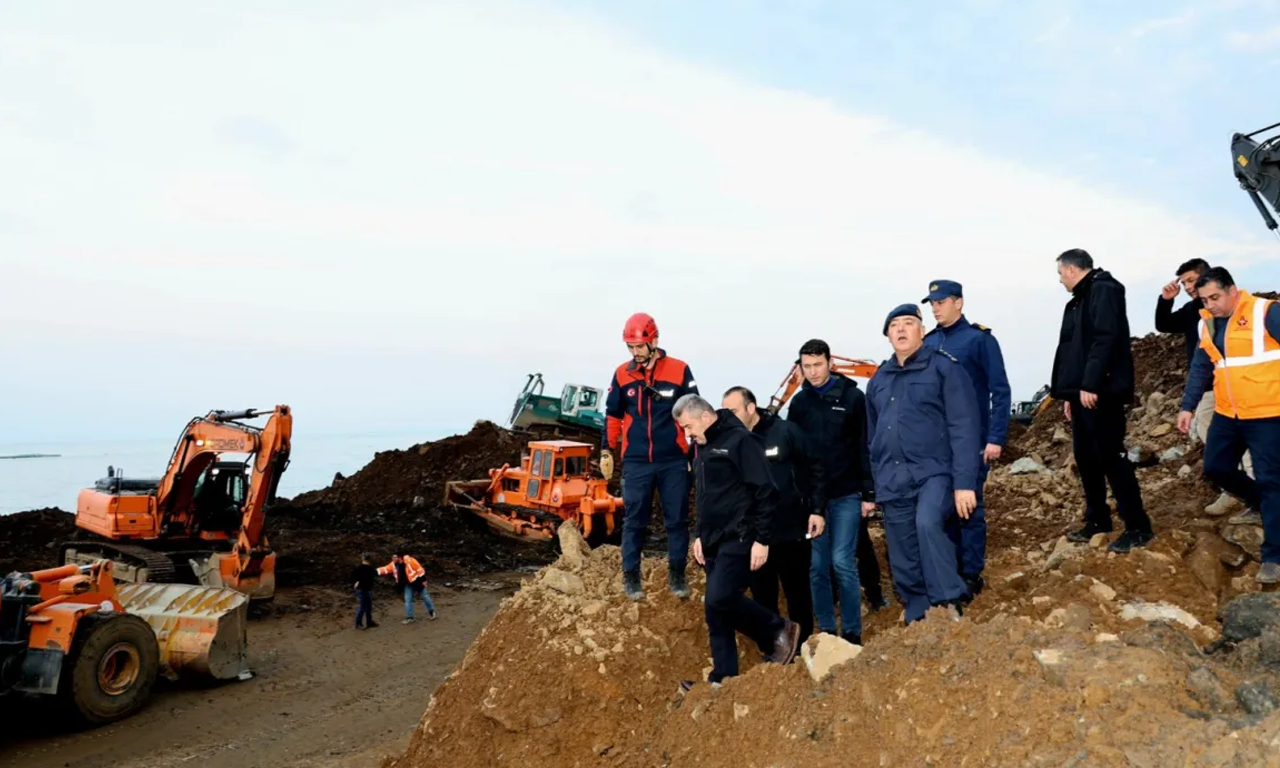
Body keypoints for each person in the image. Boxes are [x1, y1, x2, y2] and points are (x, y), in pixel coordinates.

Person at [673, 394, 801, 689]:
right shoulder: (701, 447)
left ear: (706, 417)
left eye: (688, 426)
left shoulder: (741, 441)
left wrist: (762, 540)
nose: (687, 434)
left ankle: (778, 629)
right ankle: (723, 678)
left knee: (720, 597)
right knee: (714, 611)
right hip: (712, 540)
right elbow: (703, 496)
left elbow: (766, 491)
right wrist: (699, 535)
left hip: (740, 535)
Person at [866, 304, 981, 625]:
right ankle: (917, 608)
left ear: (922, 330)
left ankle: (948, 599)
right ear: (888, 335)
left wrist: (964, 483)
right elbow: (872, 436)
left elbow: (964, 426)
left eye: (908, 323)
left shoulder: (944, 369)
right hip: (893, 476)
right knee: (901, 545)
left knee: (928, 523)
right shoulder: (878, 380)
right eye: (894, 325)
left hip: (935, 471)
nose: (901, 329)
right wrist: (874, 484)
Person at [1176, 267, 1279, 579]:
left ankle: (1274, 557)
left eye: (1215, 297)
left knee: (1271, 480)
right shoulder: (1206, 323)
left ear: (1233, 290)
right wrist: (1187, 406)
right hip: (1228, 412)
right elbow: (1201, 366)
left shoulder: (1266, 312)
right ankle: (1262, 503)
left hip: (1267, 413)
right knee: (1216, 468)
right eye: (1204, 300)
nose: (1210, 305)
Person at [1049, 248, 1155, 553]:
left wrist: (1090, 383)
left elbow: (1105, 338)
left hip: (1101, 391)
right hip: (1083, 392)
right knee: (1086, 457)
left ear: (1071, 269)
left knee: (1111, 457)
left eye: (1060, 273)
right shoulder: (1081, 298)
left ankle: (1138, 526)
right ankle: (1098, 520)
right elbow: (1075, 350)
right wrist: (1071, 392)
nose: (1060, 280)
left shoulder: (1104, 289)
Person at [784, 339, 884, 646]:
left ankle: (852, 632)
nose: (813, 372)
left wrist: (868, 493)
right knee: (817, 567)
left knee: (842, 561)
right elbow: (793, 454)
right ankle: (827, 630)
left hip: (846, 493)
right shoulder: (799, 404)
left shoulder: (853, 398)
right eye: (807, 366)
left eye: (818, 365)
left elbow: (864, 446)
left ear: (830, 363)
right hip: (814, 501)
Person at [600, 312, 700, 602]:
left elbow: (694, 411)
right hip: (636, 461)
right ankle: (631, 577)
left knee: (677, 520)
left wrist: (696, 452)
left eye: (639, 346)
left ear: (654, 341)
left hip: (673, 460)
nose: (635, 352)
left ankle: (677, 575)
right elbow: (614, 414)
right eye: (630, 347)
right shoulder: (622, 374)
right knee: (634, 521)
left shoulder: (679, 370)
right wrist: (607, 448)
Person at [921, 279, 1011, 597]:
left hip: (972, 441)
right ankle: (950, 569)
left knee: (969, 508)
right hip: (935, 445)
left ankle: (971, 573)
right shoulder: (928, 343)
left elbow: (1000, 391)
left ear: (958, 302)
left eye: (941, 302)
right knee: (941, 509)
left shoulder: (979, 340)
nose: (935, 309)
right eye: (932, 304)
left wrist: (996, 437)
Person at [722, 385, 823, 644]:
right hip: (755, 535)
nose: (729, 417)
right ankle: (774, 648)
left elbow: (815, 468)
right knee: (763, 595)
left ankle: (803, 646)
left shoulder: (785, 432)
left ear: (750, 408)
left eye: (733, 411)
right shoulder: (730, 442)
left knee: (797, 592)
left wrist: (816, 510)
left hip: (791, 528)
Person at [377, 552, 437, 624]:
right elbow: (385, 569)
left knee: (425, 597)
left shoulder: (410, 561)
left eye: (394, 557)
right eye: (392, 557)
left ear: (399, 558)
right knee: (408, 600)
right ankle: (410, 617)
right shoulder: (394, 564)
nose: (393, 559)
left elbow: (419, 569)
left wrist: (424, 580)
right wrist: (374, 571)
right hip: (407, 585)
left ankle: (431, 611)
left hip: (417, 582)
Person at [351, 552, 379, 630]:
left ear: (363, 559)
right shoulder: (369, 569)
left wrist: (355, 582)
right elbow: (376, 574)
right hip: (363, 590)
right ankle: (358, 623)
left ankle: (369, 622)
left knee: (367, 606)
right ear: (369, 559)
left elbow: (352, 576)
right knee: (364, 607)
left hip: (364, 589)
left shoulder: (360, 568)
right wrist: (356, 582)